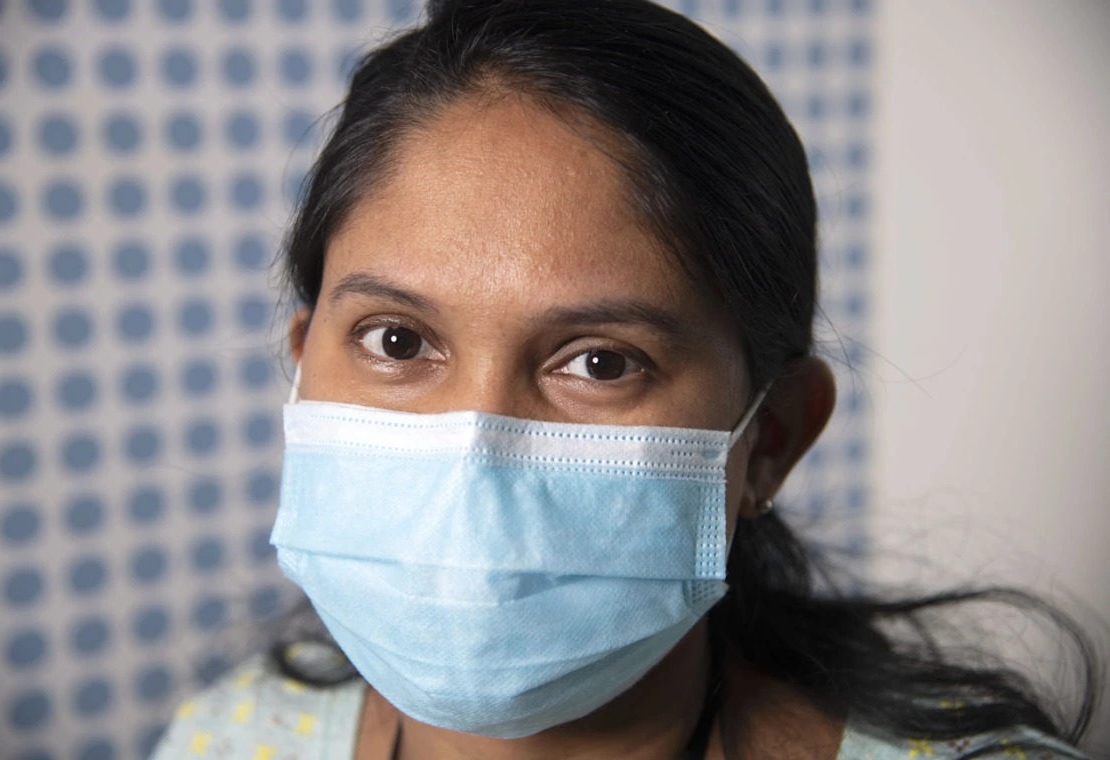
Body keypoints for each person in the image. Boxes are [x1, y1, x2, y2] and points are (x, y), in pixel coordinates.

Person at [149, 0, 1101, 758]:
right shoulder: (227, 739)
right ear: (303, 360)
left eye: (600, 362)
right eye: (397, 342)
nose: (475, 446)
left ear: (769, 438)